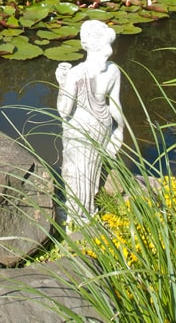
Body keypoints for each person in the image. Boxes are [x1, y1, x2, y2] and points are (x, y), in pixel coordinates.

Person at [55, 20, 124, 225]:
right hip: (102, 125)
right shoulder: (113, 70)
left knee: (74, 171)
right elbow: (115, 106)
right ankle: (88, 210)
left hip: (81, 130)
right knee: (91, 171)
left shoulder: (75, 74)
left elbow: (64, 111)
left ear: (85, 44)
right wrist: (119, 129)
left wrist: (62, 83)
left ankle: (76, 215)